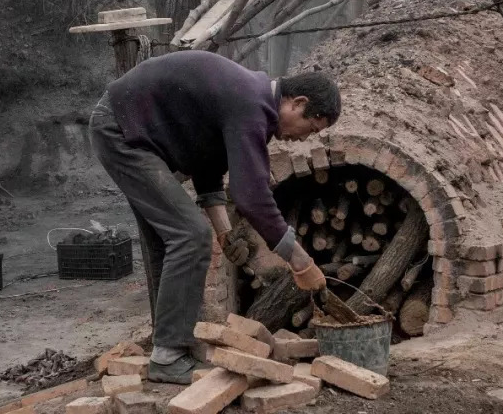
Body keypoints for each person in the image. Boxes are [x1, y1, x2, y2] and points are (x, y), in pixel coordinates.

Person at [88, 49, 341, 384]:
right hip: (123, 132)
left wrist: (225, 232)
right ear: (297, 102)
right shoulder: (251, 104)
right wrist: (300, 261)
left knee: (172, 238)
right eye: (312, 126)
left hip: (131, 129)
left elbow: (207, 167)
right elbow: (251, 196)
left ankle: (173, 345)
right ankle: (168, 356)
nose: (304, 137)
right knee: (190, 235)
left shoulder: (248, 102)